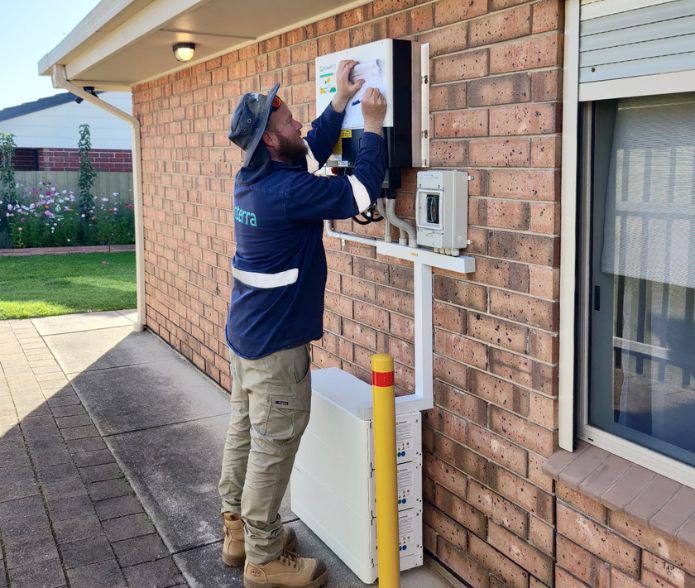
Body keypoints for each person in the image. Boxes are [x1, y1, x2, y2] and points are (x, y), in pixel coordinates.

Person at [219, 60, 387, 588]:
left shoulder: (255, 177)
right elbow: (360, 195)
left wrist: (341, 101)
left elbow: (309, 150)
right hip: (275, 349)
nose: (298, 124)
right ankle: (264, 560)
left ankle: (237, 531)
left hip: (246, 337)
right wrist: (375, 126)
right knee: (274, 445)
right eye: (289, 120)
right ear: (269, 139)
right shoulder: (287, 192)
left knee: (245, 431)